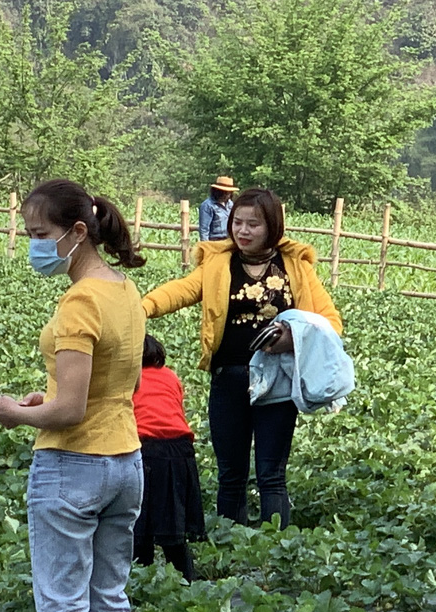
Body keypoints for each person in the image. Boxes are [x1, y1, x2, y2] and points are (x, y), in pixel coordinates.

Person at [0, 180, 148, 612]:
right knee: (110, 602)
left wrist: (18, 413)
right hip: (125, 460)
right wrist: (44, 399)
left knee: (64, 608)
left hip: (73, 465)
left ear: (78, 232)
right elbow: (104, 386)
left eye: (39, 233)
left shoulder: (80, 302)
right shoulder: (124, 290)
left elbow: (71, 411)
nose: (34, 244)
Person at [141, 187, 340, 530]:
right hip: (229, 377)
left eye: (254, 224)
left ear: (273, 227)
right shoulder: (219, 263)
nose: (243, 231)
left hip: (277, 382)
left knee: (271, 474)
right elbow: (182, 290)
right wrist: (139, 309)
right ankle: (230, 551)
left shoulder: (295, 267)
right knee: (230, 473)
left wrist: (293, 339)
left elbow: (330, 322)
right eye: (238, 223)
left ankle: (276, 550)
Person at [134, 335, 203, 581]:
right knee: (174, 528)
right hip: (180, 450)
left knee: (139, 525)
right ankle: (188, 583)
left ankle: (141, 583)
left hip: (145, 448)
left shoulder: (128, 378)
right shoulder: (171, 376)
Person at [197, 177, 235, 241]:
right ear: (216, 191)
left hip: (229, 240)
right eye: (223, 192)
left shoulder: (230, 204)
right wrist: (206, 246)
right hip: (215, 240)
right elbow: (204, 229)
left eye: (228, 193)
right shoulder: (208, 205)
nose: (226, 195)